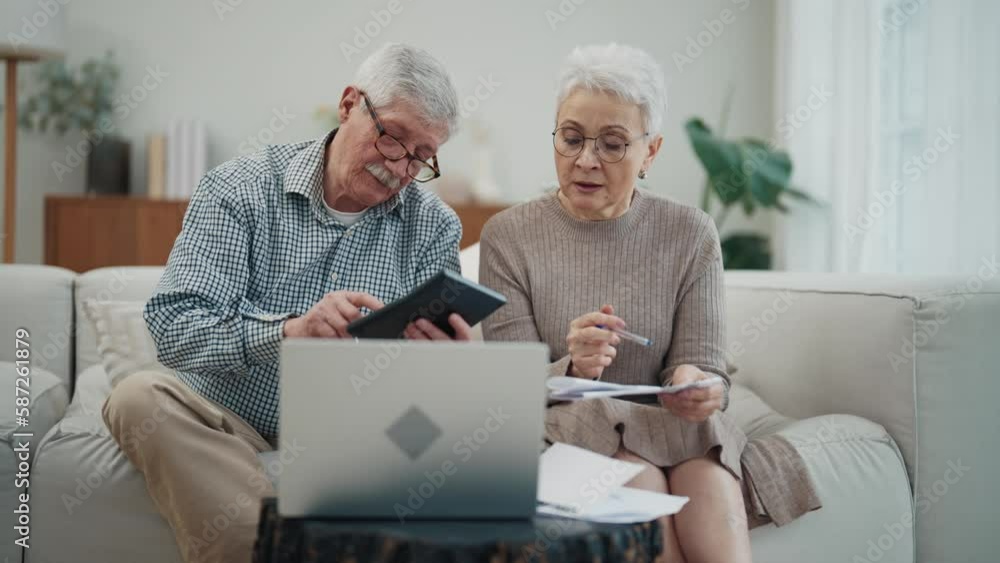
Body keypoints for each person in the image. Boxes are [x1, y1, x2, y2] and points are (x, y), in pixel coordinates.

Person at [102, 43, 473, 563]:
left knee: (451, 433)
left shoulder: (433, 227)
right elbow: (175, 326)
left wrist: (446, 365)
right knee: (137, 398)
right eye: (392, 137)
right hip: (228, 421)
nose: (400, 166)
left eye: (421, 155)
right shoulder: (239, 189)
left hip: (355, 436)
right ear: (349, 104)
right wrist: (291, 331)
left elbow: (431, 395)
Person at [480, 43, 820, 563]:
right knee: (641, 481)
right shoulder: (509, 235)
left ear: (651, 152)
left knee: (708, 473)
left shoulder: (690, 232)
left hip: (671, 426)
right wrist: (575, 366)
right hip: (571, 428)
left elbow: (704, 364)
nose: (585, 160)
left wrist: (692, 382)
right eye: (571, 138)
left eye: (613, 144)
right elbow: (509, 387)